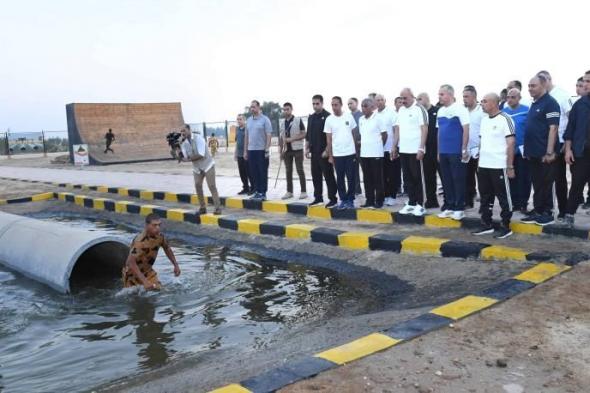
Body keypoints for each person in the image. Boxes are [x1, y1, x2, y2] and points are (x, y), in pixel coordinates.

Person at [471, 93, 516, 239]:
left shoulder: (505, 119)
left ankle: (505, 225)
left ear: (494, 103)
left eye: (484, 101)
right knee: (485, 196)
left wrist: (509, 166)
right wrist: (479, 163)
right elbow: (482, 142)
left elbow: (511, 143)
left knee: (503, 197)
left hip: (500, 165)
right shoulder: (484, 121)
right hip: (484, 165)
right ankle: (486, 223)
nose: (481, 104)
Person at [521, 75, 560, 226]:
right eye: (529, 86)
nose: (530, 88)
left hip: (546, 153)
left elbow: (553, 128)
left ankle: (547, 213)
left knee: (547, 183)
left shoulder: (550, 103)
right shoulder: (535, 102)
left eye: (533, 85)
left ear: (543, 85)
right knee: (537, 183)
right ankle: (538, 210)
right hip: (534, 153)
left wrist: (550, 152)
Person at [537, 70, 572, 220]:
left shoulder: (562, 95)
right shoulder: (541, 98)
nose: (543, 83)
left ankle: (563, 210)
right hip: (544, 144)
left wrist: (568, 141)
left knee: (559, 179)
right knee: (545, 178)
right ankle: (546, 208)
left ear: (549, 79)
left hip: (560, 142)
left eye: (544, 80)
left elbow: (572, 119)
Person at [559, 70, 590, 227]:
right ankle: (569, 215)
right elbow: (570, 130)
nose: (585, 84)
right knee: (577, 184)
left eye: (588, 81)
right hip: (581, 153)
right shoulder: (580, 104)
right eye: (584, 81)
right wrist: (568, 150)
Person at [436, 84, 470, 220]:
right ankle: (449, 206)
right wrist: (439, 151)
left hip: (456, 151)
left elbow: (466, 130)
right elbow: (439, 133)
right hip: (443, 151)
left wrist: (463, 148)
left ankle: (459, 207)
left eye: (441, 94)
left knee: (458, 179)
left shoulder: (460, 109)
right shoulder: (440, 111)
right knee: (446, 180)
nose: (439, 97)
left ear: (450, 95)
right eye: (439, 94)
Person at [393, 88, 428, 216]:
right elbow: (397, 129)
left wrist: (421, 148)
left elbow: (424, 129)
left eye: (405, 98)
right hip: (404, 149)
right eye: (401, 98)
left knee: (417, 177)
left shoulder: (419, 109)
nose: (403, 101)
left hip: (416, 150)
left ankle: (421, 204)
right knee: (407, 178)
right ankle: (412, 202)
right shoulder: (401, 110)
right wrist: (394, 146)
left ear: (412, 96)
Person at [122, 213, 180, 290]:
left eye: (159, 225)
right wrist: (144, 281)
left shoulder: (160, 237)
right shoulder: (140, 242)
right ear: (147, 225)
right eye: (154, 225)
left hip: (148, 271)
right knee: (135, 297)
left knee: (159, 290)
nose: (158, 228)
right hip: (132, 275)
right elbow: (130, 262)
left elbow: (167, 249)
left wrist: (175, 265)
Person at [180, 124, 222, 215]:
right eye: (181, 131)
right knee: (197, 185)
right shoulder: (184, 143)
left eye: (184, 131)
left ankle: (218, 208)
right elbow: (184, 157)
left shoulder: (198, 138)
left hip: (208, 165)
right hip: (197, 168)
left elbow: (200, 154)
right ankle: (202, 208)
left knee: (211, 186)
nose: (182, 133)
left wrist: (187, 159)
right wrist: (177, 151)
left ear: (189, 129)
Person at [324, 96, 357, 209]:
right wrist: (330, 156)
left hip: (350, 153)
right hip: (337, 155)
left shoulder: (349, 116)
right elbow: (328, 139)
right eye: (332, 105)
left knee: (351, 177)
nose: (334, 107)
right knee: (340, 178)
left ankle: (351, 199)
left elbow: (354, 134)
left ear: (341, 104)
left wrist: (356, 151)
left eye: (336, 105)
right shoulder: (329, 119)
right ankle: (343, 199)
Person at [306, 94, 337, 208]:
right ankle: (318, 198)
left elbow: (331, 136)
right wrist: (307, 148)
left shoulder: (328, 117)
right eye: (313, 104)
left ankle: (333, 199)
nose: (315, 106)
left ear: (322, 103)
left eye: (317, 103)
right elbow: (308, 135)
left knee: (329, 176)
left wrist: (327, 151)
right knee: (316, 176)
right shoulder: (311, 117)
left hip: (324, 152)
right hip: (314, 152)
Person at [503, 88, 531, 213]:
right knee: (510, 178)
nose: (510, 99)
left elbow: (531, 129)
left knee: (524, 178)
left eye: (513, 97)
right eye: (508, 97)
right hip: (508, 151)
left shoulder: (526, 110)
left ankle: (523, 203)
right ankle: (513, 203)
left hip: (522, 151)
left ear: (519, 98)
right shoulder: (503, 112)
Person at [359, 97, 387, 209]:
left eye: (365, 106)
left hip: (376, 154)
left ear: (372, 107)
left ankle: (379, 200)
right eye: (362, 106)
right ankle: (369, 200)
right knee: (367, 179)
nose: (363, 108)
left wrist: (379, 147)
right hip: (364, 154)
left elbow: (384, 135)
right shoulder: (361, 119)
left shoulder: (378, 118)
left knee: (377, 179)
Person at [244, 100, 273, 201]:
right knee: (253, 172)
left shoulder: (265, 120)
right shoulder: (248, 120)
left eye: (254, 107)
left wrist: (267, 149)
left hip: (261, 150)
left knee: (262, 172)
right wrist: (245, 151)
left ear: (259, 107)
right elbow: (246, 137)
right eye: (251, 107)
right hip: (251, 150)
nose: (252, 109)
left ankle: (263, 193)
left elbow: (269, 135)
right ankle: (257, 191)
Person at [278, 102, 307, 200]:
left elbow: (304, 134)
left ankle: (304, 191)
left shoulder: (298, 120)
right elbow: (281, 138)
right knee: (288, 171)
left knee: (300, 170)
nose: (286, 111)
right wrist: (280, 150)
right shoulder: (282, 123)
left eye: (287, 109)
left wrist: (292, 139)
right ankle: (289, 191)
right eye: (284, 109)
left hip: (298, 149)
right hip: (286, 151)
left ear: (291, 109)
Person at [417, 92, 441, 208]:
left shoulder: (438, 111)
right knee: (428, 177)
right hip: (426, 150)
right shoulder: (419, 114)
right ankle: (432, 201)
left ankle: (448, 202)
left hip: (438, 149)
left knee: (443, 176)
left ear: (427, 99)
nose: (418, 101)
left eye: (420, 99)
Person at [375, 94, 399, 206]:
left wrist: (395, 146)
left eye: (381, 100)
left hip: (390, 149)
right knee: (382, 175)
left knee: (392, 174)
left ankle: (392, 196)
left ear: (385, 101)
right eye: (377, 100)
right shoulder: (374, 114)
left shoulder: (391, 113)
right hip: (378, 150)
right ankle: (385, 195)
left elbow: (396, 130)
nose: (379, 102)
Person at [463, 85, 484, 209]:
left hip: (479, 149)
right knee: (467, 177)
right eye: (463, 97)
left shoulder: (482, 111)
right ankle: (468, 201)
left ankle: (484, 204)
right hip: (466, 149)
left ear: (474, 97)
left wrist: (481, 149)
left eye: (467, 96)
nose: (464, 99)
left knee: (481, 178)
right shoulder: (462, 111)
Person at [348, 97, 363, 195]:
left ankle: (371, 189)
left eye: (351, 103)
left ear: (356, 103)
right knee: (354, 170)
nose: (349, 105)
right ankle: (357, 190)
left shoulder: (362, 115)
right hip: (351, 148)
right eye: (348, 104)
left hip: (362, 146)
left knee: (366, 169)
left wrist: (361, 141)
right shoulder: (347, 116)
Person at [234, 114, 253, 195]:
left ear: (244, 120)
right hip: (239, 155)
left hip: (247, 155)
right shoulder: (237, 129)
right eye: (237, 119)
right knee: (242, 173)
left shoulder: (247, 129)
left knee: (249, 172)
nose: (239, 121)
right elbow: (237, 142)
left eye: (240, 119)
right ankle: (245, 188)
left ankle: (252, 188)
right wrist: (235, 154)